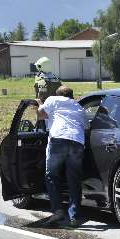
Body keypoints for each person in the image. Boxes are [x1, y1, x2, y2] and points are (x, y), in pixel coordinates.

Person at [36, 85, 86, 227]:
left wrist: (40, 104)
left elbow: (41, 115)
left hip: (58, 138)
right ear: (72, 96)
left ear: (58, 94)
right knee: (74, 180)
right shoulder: (79, 107)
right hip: (77, 141)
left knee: (51, 175)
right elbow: (86, 126)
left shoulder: (53, 99)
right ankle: (74, 216)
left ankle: (58, 211)